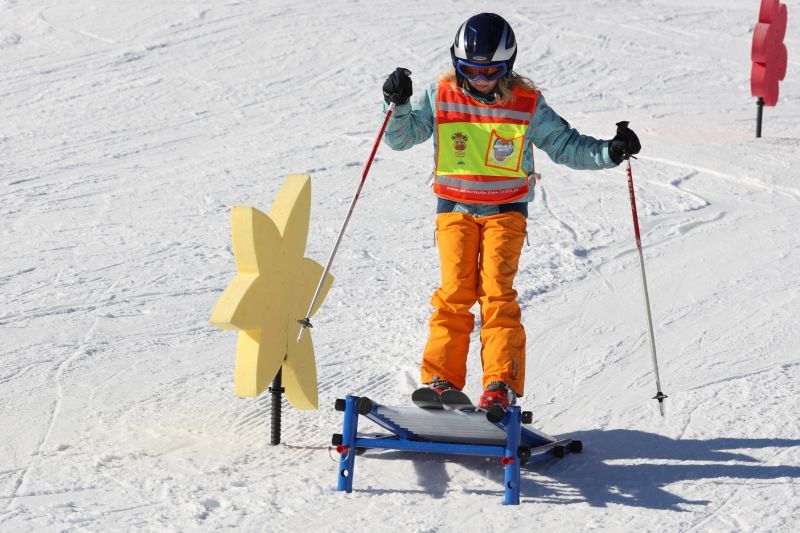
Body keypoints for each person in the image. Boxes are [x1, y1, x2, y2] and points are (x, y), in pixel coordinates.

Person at [381, 12, 640, 409]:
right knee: (454, 294)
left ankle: (499, 384)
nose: (481, 80)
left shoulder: (526, 103)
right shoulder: (441, 93)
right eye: (470, 70)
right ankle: (440, 381)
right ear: (457, 64)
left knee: (497, 295)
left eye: (492, 72)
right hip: (455, 208)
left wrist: (609, 151)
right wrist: (398, 104)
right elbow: (401, 139)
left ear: (509, 66)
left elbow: (565, 144)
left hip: (505, 212)